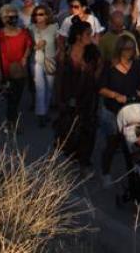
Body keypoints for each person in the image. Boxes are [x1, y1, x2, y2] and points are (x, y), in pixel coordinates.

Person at [97, 35, 140, 188]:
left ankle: (138, 173)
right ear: (120, 50)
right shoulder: (110, 67)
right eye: (127, 49)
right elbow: (101, 89)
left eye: (133, 48)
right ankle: (105, 173)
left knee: (137, 142)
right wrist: (115, 95)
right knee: (113, 142)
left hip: (132, 110)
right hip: (113, 111)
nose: (131, 52)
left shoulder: (136, 65)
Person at [54, 20, 101, 169]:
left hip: (88, 98)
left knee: (88, 129)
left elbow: (100, 69)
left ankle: (84, 161)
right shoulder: (66, 52)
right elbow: (59, 77)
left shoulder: (93, 52)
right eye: (88, 34)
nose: (91, 36)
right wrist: (59, 99)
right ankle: (69, 157)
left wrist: (92, 79)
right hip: (69, 97)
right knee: (68, 128)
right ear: (79, 36)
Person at [0, 4, 33, 129]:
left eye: (14, 16)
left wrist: (25, 57)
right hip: (5, 70)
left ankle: (11, 120)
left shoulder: (24, 32)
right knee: (11, 98)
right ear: (3, 19)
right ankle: (12, 122)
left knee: (16, 96)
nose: (12, 19)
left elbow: (29, 45)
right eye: (8, 17)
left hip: (20, 69)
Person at [29, 4, 58, 127]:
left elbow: (59, 45)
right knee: (40, 88)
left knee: (50, 88)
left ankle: (45, 111)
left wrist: (56, 56)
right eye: (36, 14)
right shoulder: (30, 29)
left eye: (41, 14)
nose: (38, 17)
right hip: (36, 61)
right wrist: (35, 47)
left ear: (47, 15)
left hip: (51, 61)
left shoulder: (54, 27)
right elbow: (28, 47)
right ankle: (41, 115)